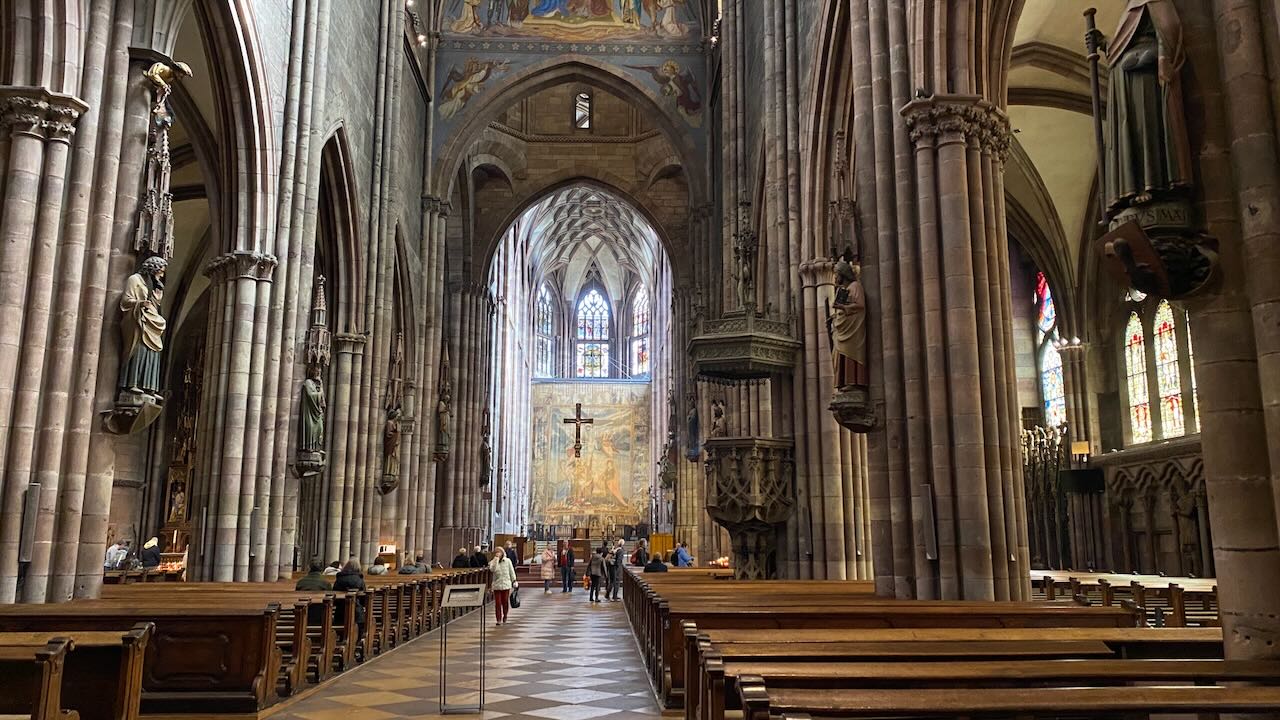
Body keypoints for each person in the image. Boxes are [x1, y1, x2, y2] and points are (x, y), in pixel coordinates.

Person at [332, 560, 367, 633]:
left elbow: (334, 598)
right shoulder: (360, 580)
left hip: (340, 613)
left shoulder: (339, 579)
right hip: (357, 614)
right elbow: (364, 599)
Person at [489, 547, 517, 625]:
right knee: (498, 603)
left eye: (499, 552)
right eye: (496, 552)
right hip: (497, 585)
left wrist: (514, 580)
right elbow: (492, 569)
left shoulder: (508, 561)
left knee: (505, 601)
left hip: (506, 584)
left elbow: (511, 571)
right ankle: (498, 619)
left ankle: (505, 615)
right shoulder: (493, 562)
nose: (497, 553)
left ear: (502, 553)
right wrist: (496, 560)